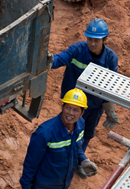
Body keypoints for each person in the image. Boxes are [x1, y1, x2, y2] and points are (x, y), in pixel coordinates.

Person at [49, 18, 119, 176]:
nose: (92, 44)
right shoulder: (77, 49)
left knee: (87, 133)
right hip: (73, 103)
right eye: (89, 39)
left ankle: (78, 162)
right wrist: (48, 61)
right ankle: (59, 161)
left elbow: (110, 85)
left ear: (104, 40)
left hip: (94, 105)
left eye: (96, 40)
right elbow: (61, 58)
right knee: (66, 130)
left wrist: (110, 110)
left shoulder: (110, 58)